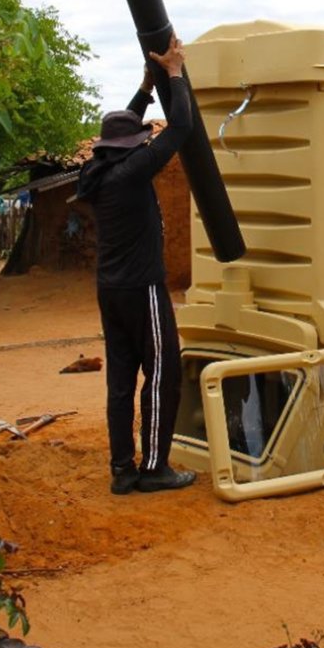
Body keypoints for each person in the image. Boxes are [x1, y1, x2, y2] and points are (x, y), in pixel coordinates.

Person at [76, 33, 197, 496]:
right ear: (131, 146)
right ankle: (154, 467)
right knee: (165, 371)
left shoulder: (98, 172)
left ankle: (122, 469)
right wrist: (173, 73)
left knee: (122, 379)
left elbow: (124, 131)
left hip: (111, 290)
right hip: (143, 288)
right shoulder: (132, 173)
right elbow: (182, 129)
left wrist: (146, 88)